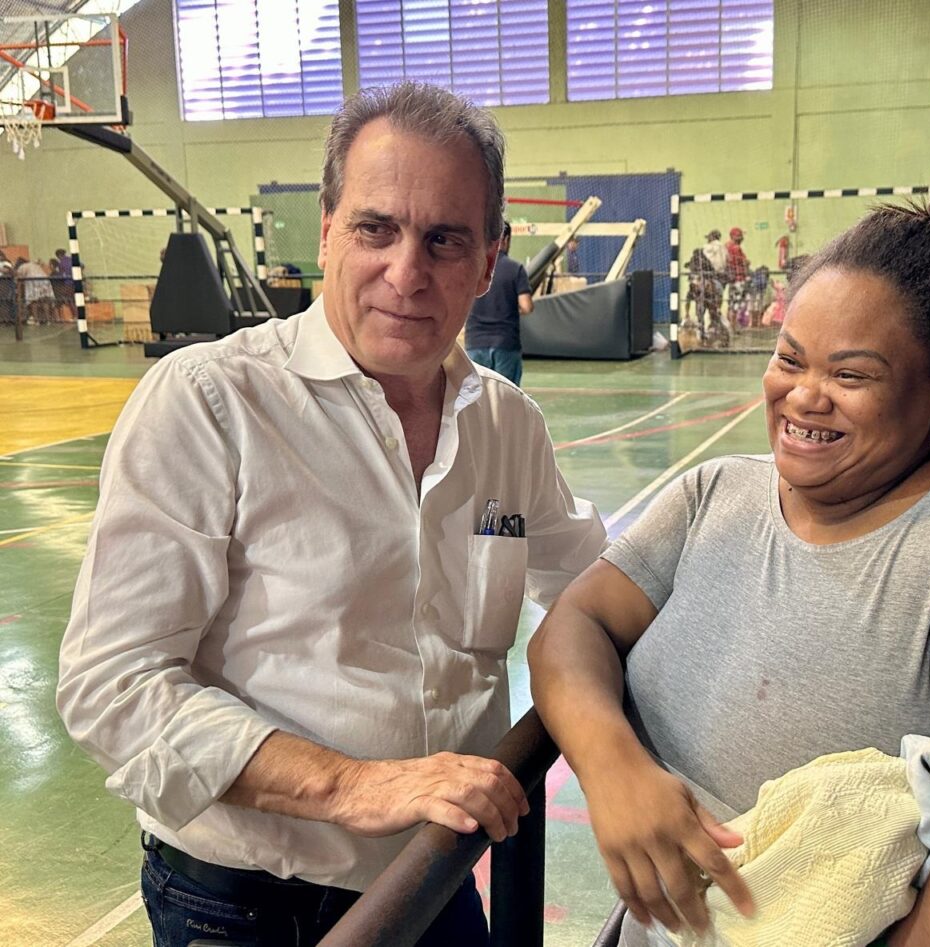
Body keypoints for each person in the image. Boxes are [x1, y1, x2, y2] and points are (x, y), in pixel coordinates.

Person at [57, 81, 606, 947]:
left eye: (444, 239)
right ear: (326, 229)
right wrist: (355, 785)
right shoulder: (211, 402)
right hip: (245, 904)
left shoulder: (507, 424)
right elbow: (113, 687)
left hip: (430, 874)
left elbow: (596, 586)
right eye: (374, 228)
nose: (406, 271)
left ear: (492, 255)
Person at [528, 170, 930, 946]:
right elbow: (574, 622)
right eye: (791, 359)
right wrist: (611, 764)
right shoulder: (712, 495)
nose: (803, 396)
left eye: (850, 374)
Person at [464, 220, 534, 385]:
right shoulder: (515, 269)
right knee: (506, 399)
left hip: (475, 342)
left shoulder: (472, 268)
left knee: (478, 400)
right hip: (505, 343)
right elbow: (527, 306)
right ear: (506, 240)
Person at [15, 255, 56, 324]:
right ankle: (48, 320)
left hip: (33, 281)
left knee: (34, 301)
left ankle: (36, 320)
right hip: (44, 280)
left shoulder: (22, 267)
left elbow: (19, 280)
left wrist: (18, 292)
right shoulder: (34, 264)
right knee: (44, 300)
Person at [724, 226, 751, 327]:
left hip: (731, 279)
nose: (741, 238)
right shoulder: (735, 248)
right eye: (739, 236)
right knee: (737, 303)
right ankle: (733, 326)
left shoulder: (726, 246)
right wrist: (747, 263)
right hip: (739, 278)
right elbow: (743, 262)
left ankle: (731, 324)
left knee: (731, 303)